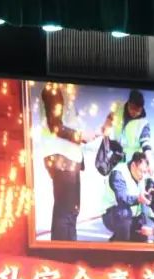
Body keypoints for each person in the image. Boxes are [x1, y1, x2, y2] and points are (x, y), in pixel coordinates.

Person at [40, 83, 98, 241]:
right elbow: (55, 126)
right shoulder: (54, 90)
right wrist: (81, 136)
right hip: (62, 159)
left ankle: (68, 249)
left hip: (68, 160)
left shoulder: (65, 94)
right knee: (66, 213)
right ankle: (63, 252)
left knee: (69, 212)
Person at [102, 152, 154, 242]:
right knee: (124, 213)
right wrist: (138, 199)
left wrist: (146, 224)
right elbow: (122, 199)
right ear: (133, 165)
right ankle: (121, 242)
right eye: (141, 171)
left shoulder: (141, 176)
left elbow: (144, 202)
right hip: (112, 214)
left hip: (132, 216)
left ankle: (118, 239)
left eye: (145, 172)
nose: (143, 175)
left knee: (148, 229)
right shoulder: (118, 174)